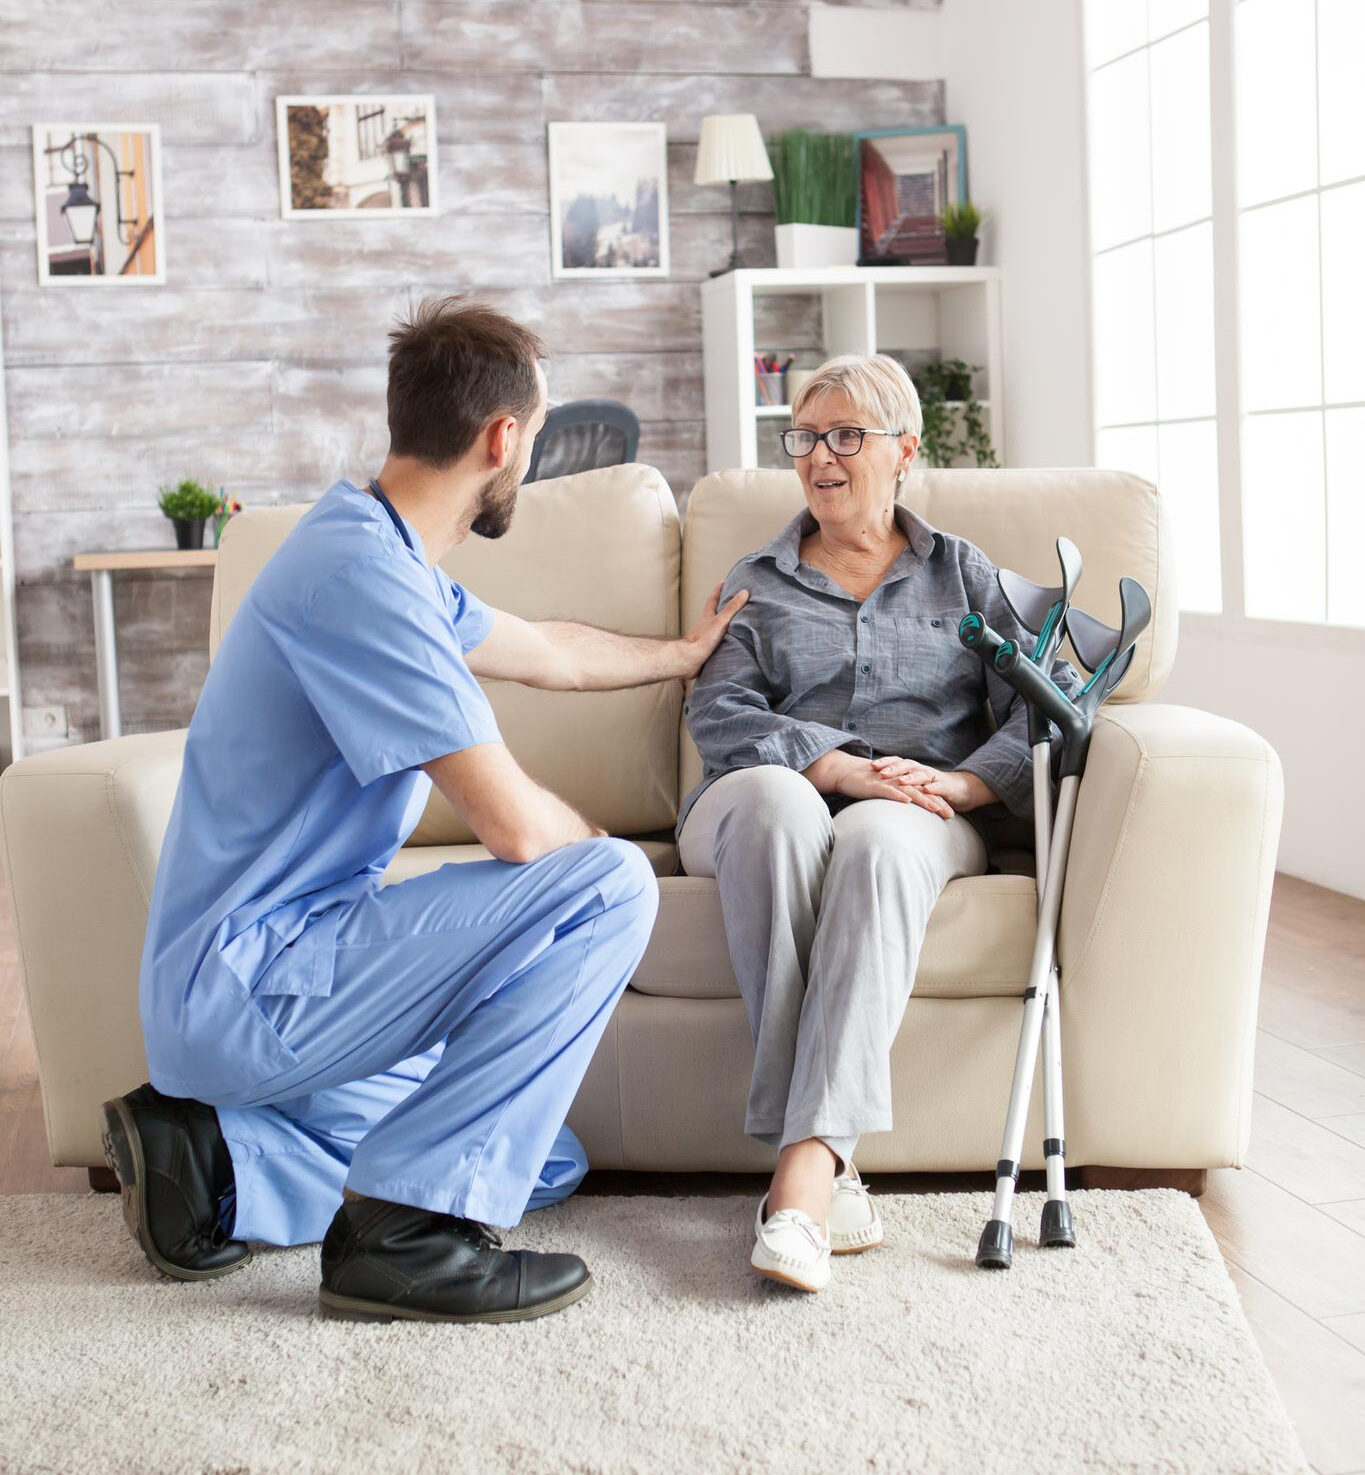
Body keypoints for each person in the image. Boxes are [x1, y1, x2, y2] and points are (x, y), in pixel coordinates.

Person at [101, 297, 748, 1325]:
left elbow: (550, 651)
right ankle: (399, 1240)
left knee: (540, 1161)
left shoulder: (383, 554)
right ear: (502, 439)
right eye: (532, 441)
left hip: (266, 982)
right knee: (613, 880)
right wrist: (596, 846)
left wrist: (678, 656)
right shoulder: (363, 580)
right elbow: (519, 832)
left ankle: (216, 1156)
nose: (525, 464)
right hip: (256, 979)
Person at [677, 353, 1080, 1293]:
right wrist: (837, 764)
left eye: (845, 435)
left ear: (904, 451)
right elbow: (719, 714)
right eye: (805, 436)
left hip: (921, 807)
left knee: (878, 836)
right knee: (784, 803)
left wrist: (963, 786)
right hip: (759, 801)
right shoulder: (757, 578)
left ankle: (803, 1173)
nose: (820, 455)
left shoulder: (962, 575)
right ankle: (820, 1171)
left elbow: (1043, 706)